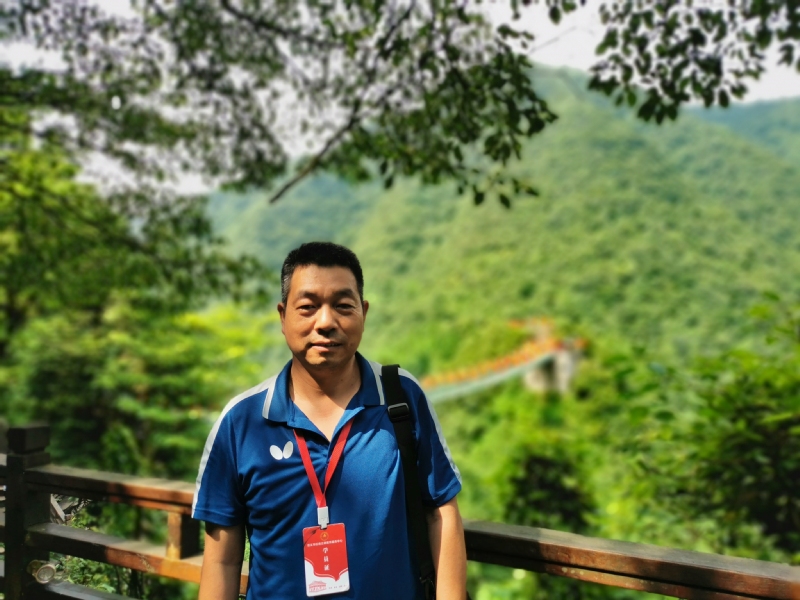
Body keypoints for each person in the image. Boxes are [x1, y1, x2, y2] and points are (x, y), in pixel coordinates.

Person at [193, 241, 467, 599]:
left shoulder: (401, 398)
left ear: (363, 313)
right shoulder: (241, 422)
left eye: (343, 306)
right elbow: (222, 561)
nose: (325, 322)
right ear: (283, 316)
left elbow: (441, 513)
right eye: (308, 307)